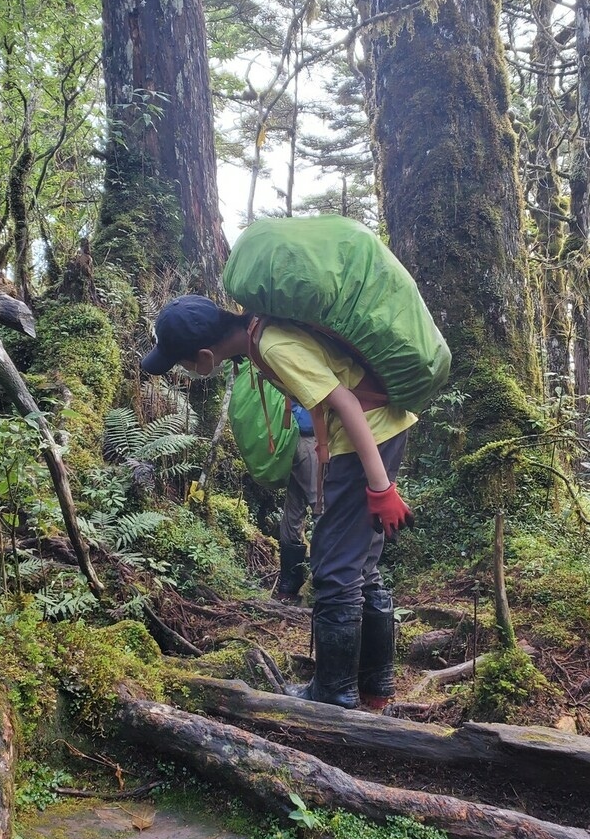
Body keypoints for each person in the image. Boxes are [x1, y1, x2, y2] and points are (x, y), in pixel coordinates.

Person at [141, 294, 415, 710]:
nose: (184, 370)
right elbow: (324, 394)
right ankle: (374, 689)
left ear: (203, 356)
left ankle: (335, 694)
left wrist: (380, 488)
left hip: (369, 435)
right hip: (379, 430)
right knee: (359, 564)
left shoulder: (271, 345)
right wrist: (323, 447)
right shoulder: (261, 334)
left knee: (334, 568)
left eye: (181, 363)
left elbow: (343, 400)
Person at [277, 403, 319, 601]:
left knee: (293, 509)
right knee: (320, 506)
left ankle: (289, 584)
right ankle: (322, 578)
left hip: (286, 440)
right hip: (308, 441)